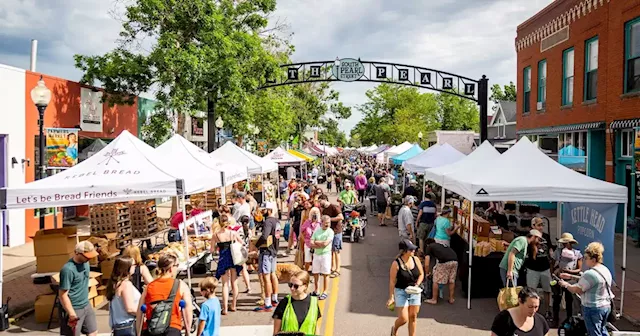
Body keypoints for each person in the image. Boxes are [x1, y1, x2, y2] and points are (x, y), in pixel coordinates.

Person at [558, 242, 613, 336]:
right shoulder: (604, 269)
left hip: (593, 308)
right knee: (602, 330)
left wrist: (566, 284)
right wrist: (571, 276)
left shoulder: (590, 274)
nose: (584, 260)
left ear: (593, 259)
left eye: (586, 258)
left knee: (594, 333)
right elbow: (591, 282)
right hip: (605, 306)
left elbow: (577, 289)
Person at [136, 252, 193, 336]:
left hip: (151, 330)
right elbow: (188, 310)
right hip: (172, 328)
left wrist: (138, 332)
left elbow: (139, 312)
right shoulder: (180, 285)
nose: (177, 268)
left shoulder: (149, 287)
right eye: (176, 265)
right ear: (170, 268)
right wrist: (188, 331)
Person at [59, 241, 99, 336]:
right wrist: (71, 313)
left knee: (93, 332)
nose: (89, 258)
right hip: (74, 308)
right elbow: (63, 295)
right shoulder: (68, 270)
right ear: (77, 253)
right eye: (87, 256)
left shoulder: (86, 263)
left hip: (86, 304)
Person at [387, 239, 424, 336]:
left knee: (413, 316)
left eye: (413, 249)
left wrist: (417, 284)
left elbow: (421, 274)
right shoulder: (396, 263)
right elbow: (392, 281)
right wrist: (391, 297)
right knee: (404, 319)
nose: (413, 251)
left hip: (414, 291)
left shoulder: (415, 259)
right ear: (404, 251)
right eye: (410, 250)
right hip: (401, 291)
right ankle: (394, 329)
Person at [211, 214, 244, 314]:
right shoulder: (233, 233)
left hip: (223, 258)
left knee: (225, 284)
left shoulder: (215, 235)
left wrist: (217, 248)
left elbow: (212, 249)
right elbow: (242, 243)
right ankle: (233, 304)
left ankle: (224, 308)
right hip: (233, 258)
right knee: (234, 283)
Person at [272, 270, 321, 335]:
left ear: (305, 286)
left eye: (296, 286)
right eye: (290, 285)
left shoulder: (314, 303)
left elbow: (315, 327)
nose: (292, 288)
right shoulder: (284, 303)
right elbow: (276, 332)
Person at [524, 217, 554, 321]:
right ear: (533, 226)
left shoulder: (546, 236)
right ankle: (531, 312)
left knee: (547, 290)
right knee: (531, 291)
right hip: (532, 268)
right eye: (539, 225)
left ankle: (547, 311)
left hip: (545, 268)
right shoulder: (529, 237)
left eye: (542, 225)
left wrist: (552, 258)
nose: (541, 227)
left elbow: (550, 249)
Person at [552, 232, 583, 326]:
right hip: (559, 278)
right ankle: (555, 319)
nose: (564, 245)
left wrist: (569, 272)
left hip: (570, 280)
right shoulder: (558, 251)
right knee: (557, 299)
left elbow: (579, 269)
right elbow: (552, 263)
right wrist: (553, 273)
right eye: (563, 243)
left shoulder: (577, 254)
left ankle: (569, 320)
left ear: (571, 243)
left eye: (566, 243)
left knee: (569, 300)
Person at [107, 257, 140, 336]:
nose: (135, 267)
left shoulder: (115, 283)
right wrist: (143, 313)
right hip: (128, 325)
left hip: (119, 326)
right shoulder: (126, 284)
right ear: (127, 268)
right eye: (133, 265)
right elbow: (130, 308)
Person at [255, 207, 280, 312]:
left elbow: (264, 236)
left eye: (263, 209)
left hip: (266, 251)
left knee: (266, 277)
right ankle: (274, 299)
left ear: (269, 210)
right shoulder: (276, 221)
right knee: (273, 274)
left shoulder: (268, 222)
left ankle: (268, 303)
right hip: (274, 251)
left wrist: (256, 245)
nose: (261, 211)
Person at [423, 238, 458, 305]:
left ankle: (434, 299)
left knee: (436, 279)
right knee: (451, 280)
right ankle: (451, 298)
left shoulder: (429, 247)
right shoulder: (441, 245)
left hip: (445, 261)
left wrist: (427, 273)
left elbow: (426, 264)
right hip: (455, 260)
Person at [318, 195, 344, 278]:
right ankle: (331, 268)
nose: (319, 203)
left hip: (336, 231)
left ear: (324, 200)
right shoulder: (324, 209)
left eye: (320, 201)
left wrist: (329, 219)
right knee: (331, 251)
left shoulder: (334, 207)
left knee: (336, 251)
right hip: (329, 232)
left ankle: (337, 270)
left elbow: (341, 217)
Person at [310, 215, 335, 300]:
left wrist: (316, 243)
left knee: (325, 274)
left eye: (329, 223)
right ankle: (316, 290)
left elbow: (326, 244)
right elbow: (311, 243)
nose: (328, 224)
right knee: (315, 273)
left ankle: (325, 291)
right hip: (317, 255)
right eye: (326, 223)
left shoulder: (330, 232)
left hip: (326, 255)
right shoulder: (317, 231)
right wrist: (319, 244)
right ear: (322, 223)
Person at [300, 208, 322, 272]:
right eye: (313, 213)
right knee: (307, 260)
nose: (314, 215)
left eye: (316, 213)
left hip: (317, 244)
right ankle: (305, 272)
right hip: (308, 243)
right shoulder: (307, 222)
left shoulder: (320, 223)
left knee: (316, 260)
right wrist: (304, 240)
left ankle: (315, 273)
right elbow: (301, 231)